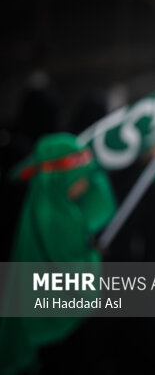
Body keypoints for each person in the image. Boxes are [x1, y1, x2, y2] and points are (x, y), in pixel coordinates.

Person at [0, 133, 116, 374]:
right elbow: (71, 273)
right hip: (51, 330)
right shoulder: (59, 216)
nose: (85, 184)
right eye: (79, 177)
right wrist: (93, 258)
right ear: (61, 177)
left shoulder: (36, 202)